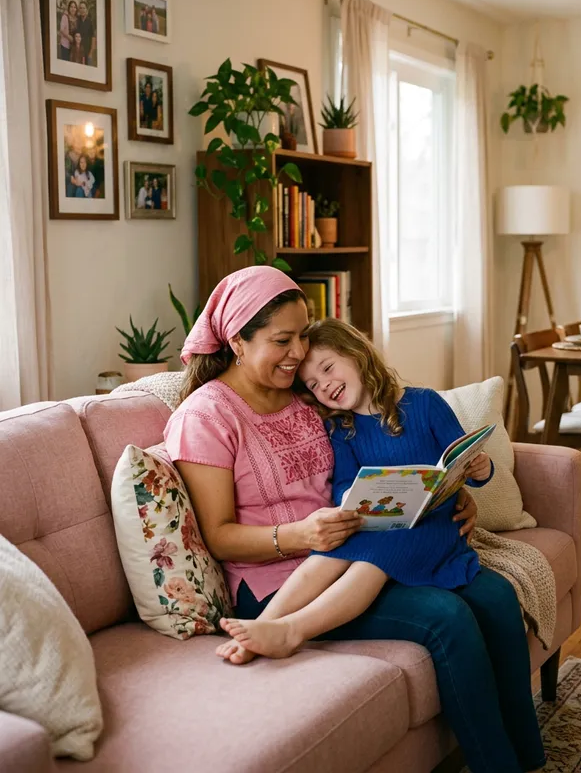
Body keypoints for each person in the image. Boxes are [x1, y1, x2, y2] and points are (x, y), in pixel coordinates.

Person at [164, 267, 547, 773]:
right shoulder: (206, 415)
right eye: (284, 340)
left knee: (497, 597)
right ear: (237, 340)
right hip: (283, 579)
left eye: (303, 336)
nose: (300, 354)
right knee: (448, 618)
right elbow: (218, 537)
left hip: (356, 544)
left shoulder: (302, 396)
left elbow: (389, 431)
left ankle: (529, 753)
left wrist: (457, 492)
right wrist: (301, 534)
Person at [220, 317, 494, 659]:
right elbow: (344, 483)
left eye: (328, 368)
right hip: (384, 522)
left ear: (358, 353)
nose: (325, 385)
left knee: (370, 561)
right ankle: (264, 625)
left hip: (435, 528)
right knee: (328, 554)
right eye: (313, 384)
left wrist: (480, 470)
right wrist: (351, 497)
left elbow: (463, 460)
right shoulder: (340, 429)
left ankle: (293, 631)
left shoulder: (425, 404)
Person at [76, 1, 96, 66]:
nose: (82, 10)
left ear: (86, 9)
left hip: (88, 51)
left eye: (84, 8)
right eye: (81, 8)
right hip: (79, 51)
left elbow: (93, 37)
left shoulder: (90, 21)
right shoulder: (77, 20)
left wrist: (90, 53)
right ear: (79, 10)